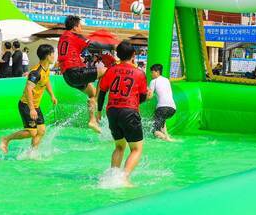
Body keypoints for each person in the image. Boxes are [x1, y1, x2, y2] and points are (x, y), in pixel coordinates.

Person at [97, 41, 147, 186]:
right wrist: (147, 97)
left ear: (118, 55)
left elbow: (102, 92)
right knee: (136, 149)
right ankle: (124, 178)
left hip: (112, 111)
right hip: (129, 111)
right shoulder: (139, 73)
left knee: (119, 146)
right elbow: (141, 98)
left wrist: (99, 111)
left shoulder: (111, 70)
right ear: (133, 55)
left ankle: (113, 177)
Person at [57, 15, 112, 133]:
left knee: (91, 93)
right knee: (105, 71)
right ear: (75, 27)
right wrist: (113, 46)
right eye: (80, 26)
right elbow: (94, 45)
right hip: (76, 72)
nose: (81, 28)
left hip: (67, 76)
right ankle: (97, 101)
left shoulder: (63, 37)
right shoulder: (75, 36)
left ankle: (92, 120)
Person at [0, 44, 58, 154]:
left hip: (35, 105)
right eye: (53, 54)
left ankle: (32, 153)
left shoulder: (46, 69)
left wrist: (52, 95)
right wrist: (32, 109)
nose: (54, 56)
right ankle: (6, 139)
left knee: (41, 131)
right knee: (32, 132)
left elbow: (46, 81)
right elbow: (28, 89)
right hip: (26, 105)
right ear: (47, 56)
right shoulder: (36, 72)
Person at [147, 63, 176, 141]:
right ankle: (167, 136)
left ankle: (167, 139)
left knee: (154, 130)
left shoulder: (153, 81)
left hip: (162, 108)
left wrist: (146, 91)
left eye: (152, 72)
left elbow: (149, 97)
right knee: (162, 119)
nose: (151, 74)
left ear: (157, 72)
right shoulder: (166, 80)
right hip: (172, 108)